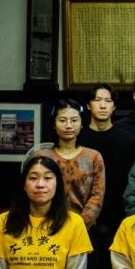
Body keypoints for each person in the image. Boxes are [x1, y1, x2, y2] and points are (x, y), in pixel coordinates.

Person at [78, 83, 135, 269]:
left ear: (114, 106)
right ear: (89, 105)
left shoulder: (129, 141)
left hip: (119, 218)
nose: (103, 105)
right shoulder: (78, 139)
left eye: (108, 101)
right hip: (83, 220)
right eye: (98, 100)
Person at [29, 99, 106, 231]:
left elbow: (97, 196)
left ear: (81, 124)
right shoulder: (41, 156)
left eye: (74, 120)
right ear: (54, 124)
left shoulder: (94, 157)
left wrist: (80, 225)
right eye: (62, 120)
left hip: (83, 229)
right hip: (46, 226)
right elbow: (34, 191)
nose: (68, 125)